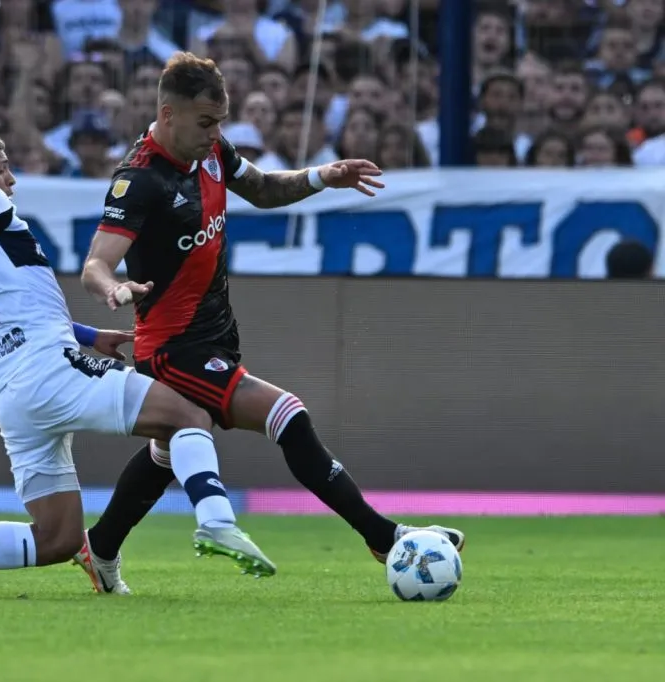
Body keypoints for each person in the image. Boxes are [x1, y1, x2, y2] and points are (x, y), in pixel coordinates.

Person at [74, 52, 465, 593]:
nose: (216, 135)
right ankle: (383, 536)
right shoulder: (140, 179)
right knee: (289, 415)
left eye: (221, 122)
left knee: (167, 452)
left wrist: (322, 176)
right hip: (171, 347)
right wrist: (113, 287)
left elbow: (262, 188)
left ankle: (101, 546)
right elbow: (95, 262)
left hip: (214, 335)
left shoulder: (211, 152)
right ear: (168, 114)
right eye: (206, 123)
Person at [0, 124, 275, 598]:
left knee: (57, 538)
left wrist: (87, 334)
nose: (11, 180)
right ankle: (216, 520)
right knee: (188, 415)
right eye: (2, 169)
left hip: (10, 393)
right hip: (49, 369)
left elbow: (8, 306)